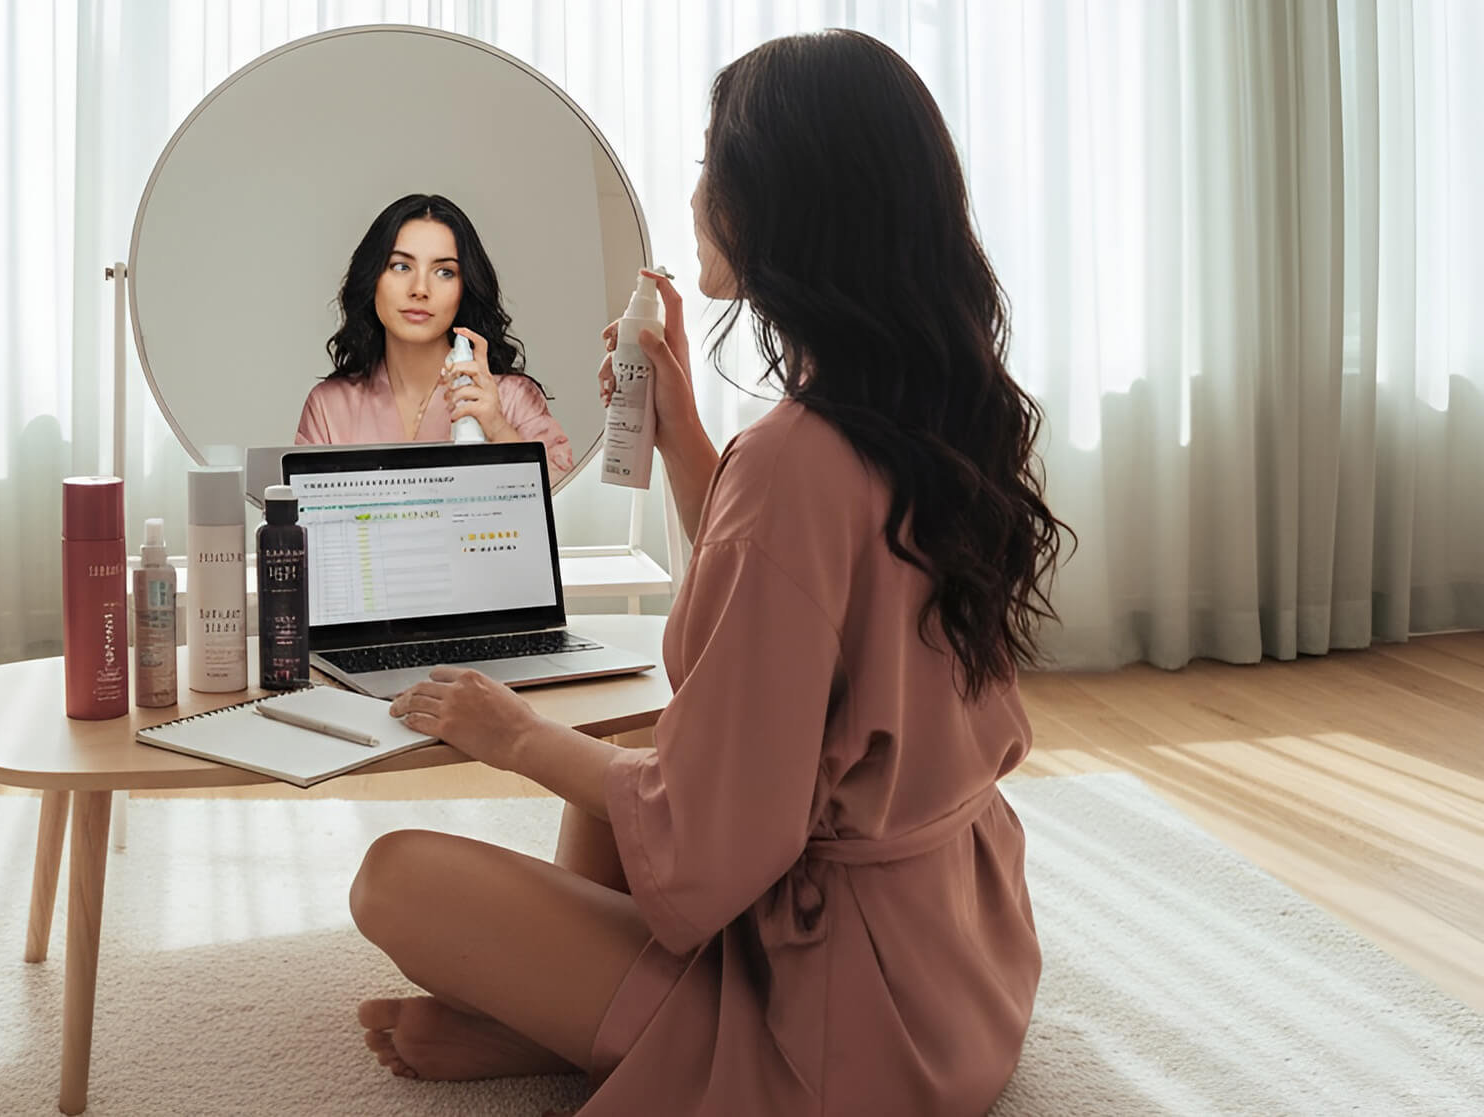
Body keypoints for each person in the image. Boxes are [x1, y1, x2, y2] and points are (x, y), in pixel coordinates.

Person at [346, 30, 1070, 1116]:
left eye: (707, 165)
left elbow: (717, 832)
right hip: (956, 963)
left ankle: (599, 1033)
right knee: (642, 749)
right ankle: (565, 1015)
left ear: (779, 202)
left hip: (834, 1019)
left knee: (393, 875)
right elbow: (778, 619)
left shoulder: (796, 460)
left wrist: (514, 737)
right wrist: (681, 427)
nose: (694, 196)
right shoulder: (936, 409)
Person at [296, 193, 575, 482]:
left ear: (464, 288)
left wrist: (496, 427)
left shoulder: (512, 399)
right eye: (401, 266)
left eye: (444, 272)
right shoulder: (329, 407)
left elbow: (563, 505)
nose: (420, 289)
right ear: (373, 279)